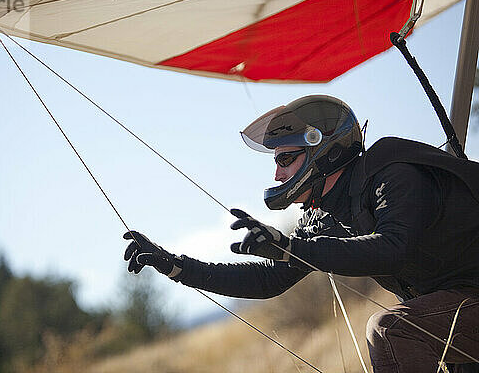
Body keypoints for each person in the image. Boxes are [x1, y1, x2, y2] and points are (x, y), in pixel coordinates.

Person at [122, 95, 479, 372]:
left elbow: (392, 248)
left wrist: (292, 247)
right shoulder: (326, 215)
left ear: (324, 152)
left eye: (285, 159)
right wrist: (179, 268)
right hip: (459, 314)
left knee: (390, 330)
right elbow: (268, 280)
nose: (277, 175)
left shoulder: (393, 173)